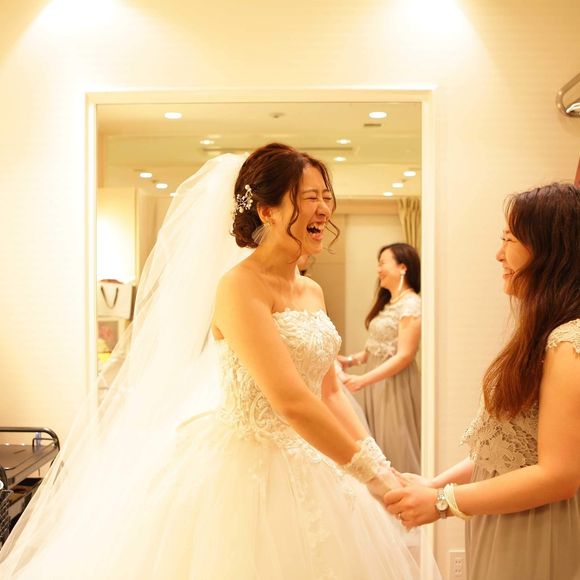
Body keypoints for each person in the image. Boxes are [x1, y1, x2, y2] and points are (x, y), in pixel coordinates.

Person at [0, 144, 439, 579]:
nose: (324, 208)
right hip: (246, 473)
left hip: (315, 460)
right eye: (310, 197)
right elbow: (290, 401)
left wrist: (379, 465)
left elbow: (329, 392)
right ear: (267, 211)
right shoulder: (239, 287)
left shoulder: (312, 291)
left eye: (327, 196)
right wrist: (369, 476)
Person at [384, 183, 580, 580]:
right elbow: (508, 450)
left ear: (549, 248)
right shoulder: (543, 334)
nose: (498, 254)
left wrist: (442, 502)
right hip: (508, 519)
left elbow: (558, 475)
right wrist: (435, 485)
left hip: (536, 529)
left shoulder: (567, 343)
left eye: (509, 239)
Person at [339, 243, 422, 473]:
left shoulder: (411, 304)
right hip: (377, 381)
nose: (379, 269)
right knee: (378, 444)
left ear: (403, 267)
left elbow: (404, 355)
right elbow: (377, 349)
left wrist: (362, 380)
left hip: (395, 383)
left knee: (396, 443)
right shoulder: (389, 304)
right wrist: (350, 360)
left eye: (383, 263)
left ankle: (405, 490)